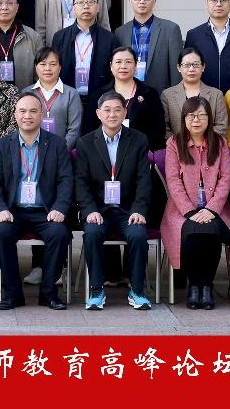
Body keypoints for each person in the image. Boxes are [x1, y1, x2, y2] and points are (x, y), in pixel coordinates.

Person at [0, 92, 74, 310]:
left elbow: (66, 180)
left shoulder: (57, 144)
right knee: (1, 234)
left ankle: (48, 293)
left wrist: (60, 208)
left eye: (33, 111)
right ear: (15, 115)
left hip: (46, 211)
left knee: (59, 234)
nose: (28, 116)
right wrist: (0, 208)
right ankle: (13, 294)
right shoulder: (1, 146)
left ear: (42, 115)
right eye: (23, 111)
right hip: (13, 211)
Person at [75, 92, 154, 311]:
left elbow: (144, 181)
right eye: (107, 110)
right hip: (98, 210)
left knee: (138, 235)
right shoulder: (85, 143)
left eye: (117, 110)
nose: (112, 114)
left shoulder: (138, 140)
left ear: (125, 112)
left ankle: (137, 291)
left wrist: (139, 210)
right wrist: (89, 210)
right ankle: (96, 291)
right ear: (98, 113)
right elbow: (80, 182)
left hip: (128, 209)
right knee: (92, 233)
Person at [160, 97, 230, 310]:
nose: (196, 120)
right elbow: (173, 180)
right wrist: (189, 211)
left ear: (209, 118)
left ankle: (207, 285)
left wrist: (212, 209)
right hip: (182, 209)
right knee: (191, 232)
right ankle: (194, 285)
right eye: (191, 115)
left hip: (216, 209)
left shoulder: (219, 142)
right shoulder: (174, 143)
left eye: (202, 115)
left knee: (212, 230)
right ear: (184, 119)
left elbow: (226, 178)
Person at [51, 0, 115, 133]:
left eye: (91, 2)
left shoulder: (110, 38)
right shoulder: (60, 37)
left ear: (98, 7)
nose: (86, 6)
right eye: (80, 2)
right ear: (73, 8)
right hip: (67, 98)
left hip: (99, 100)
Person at [114, 0, 184, 93]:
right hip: (128, 95)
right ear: (130, 1)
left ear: (154, 1)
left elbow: (177, 71)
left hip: (160, 95)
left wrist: (174, 97)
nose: (142, 1)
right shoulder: (120, 32)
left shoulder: (170, 29)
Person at [105, 46, 166, 149]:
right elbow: (90, 129)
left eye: (128, 62)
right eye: (118, 62)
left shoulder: (150, 94)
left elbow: (158, 129)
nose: (123, 66)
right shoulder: (99, 95)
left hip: (142, 151)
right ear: (111, 66)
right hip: (107, 151)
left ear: (136, 66)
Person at [161, 47, 226, 140]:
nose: (191, 69)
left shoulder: (216, 95)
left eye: (196, 64)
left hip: (209, 147)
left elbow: (221, 127)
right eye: (186, 65)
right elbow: (164, 128)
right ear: (179, 67)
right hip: (178, 146)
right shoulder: (167, 95)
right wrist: (179, 144)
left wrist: (202, 144)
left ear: (203, 67)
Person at [25, 47, 83, 149]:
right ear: (36, 67)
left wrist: (60, 150)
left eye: (53, 64)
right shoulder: (27, 93)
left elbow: (74, 129)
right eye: (43, 64)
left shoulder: (71, 94)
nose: (47, 68)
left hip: (61, 151)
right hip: (32, 150)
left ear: (60, 67)